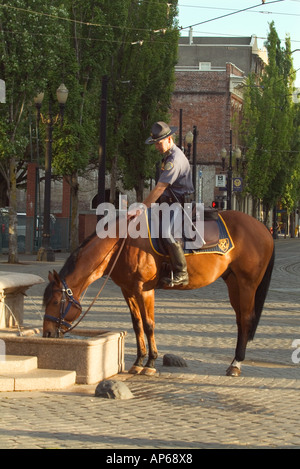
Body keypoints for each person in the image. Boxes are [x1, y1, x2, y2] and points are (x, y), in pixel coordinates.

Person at [141, 121, 194, 286]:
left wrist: (142, 207)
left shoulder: (174, 160)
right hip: (169, 203)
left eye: (159, 143)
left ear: (169, 139)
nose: (156, 146)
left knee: (168, 233)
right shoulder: (169, 156)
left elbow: (160, 188)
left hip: (179, 204)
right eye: (155, 143)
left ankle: (181, 272)